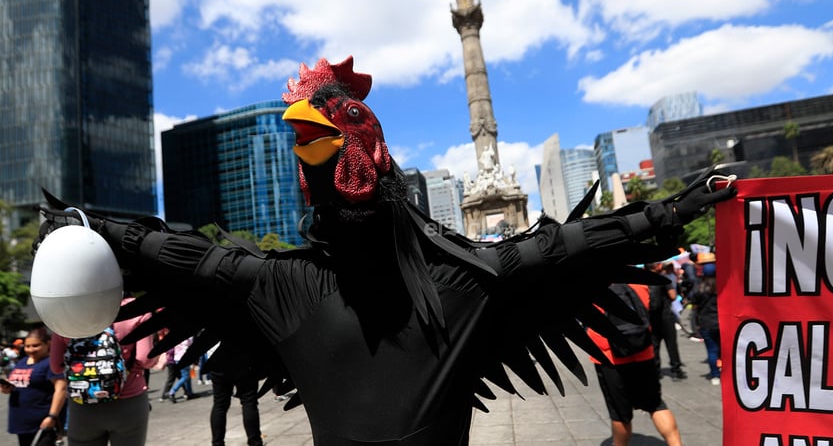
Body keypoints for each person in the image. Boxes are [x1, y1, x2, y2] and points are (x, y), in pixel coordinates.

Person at [34, 56, 736, 445]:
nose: (313, 132)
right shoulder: (279, 286)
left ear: (374, 145)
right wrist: (89, 221)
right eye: (310, 131)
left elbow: (563, 247)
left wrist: (672, 211)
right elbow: (177, 252)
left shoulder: (473, 281)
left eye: (342, 119)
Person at [50, 297, 157, 446]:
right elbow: (145, 360)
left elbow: (56, 366)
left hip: (82, 403)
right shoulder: (137, 308)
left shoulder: (65, 313)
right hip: (128, 400)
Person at [588, 284, 683, 446]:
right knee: (655, 404)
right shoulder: (639, 282)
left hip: (609, 357)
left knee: (620, 413)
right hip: (643, 351)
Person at [1, 327, 66, 446]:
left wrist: (52, 416)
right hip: (21, 423)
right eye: (27, 346)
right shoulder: (22, 361)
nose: (31, 349)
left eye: (36, 345)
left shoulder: (51, 363)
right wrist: (7, 388)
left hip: (42, 421)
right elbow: (18, 384)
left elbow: (60, 389)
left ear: (48, 344)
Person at [209, 355, 263, 446]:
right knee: (249, 402)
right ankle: (255, 441)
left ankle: (217, 443)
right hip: (244, 359)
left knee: (220, 405)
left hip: (217, 361)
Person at [646, 261, 686, 380]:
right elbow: (673, 296)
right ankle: (676, 369)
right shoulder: (662, 278)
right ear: (656, 266)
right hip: (665, 316)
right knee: (671, 344)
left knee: (654, 345)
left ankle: (656, 370)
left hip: (651, 317)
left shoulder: (642, 279)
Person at [690, 252, 721, 385]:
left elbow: (694, 306)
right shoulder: (722, 286)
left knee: (711, 350)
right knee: (724, 349)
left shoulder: (699, 288)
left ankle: (715, 375)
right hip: (722, 322)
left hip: (706, 323)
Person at [166, 337, 198, 403]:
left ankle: (189, 393)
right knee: (185, 376)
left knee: (187, 376)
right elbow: (191, 345)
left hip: (177, 358)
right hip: (183, 358)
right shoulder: (188, 339)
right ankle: (172, 392)